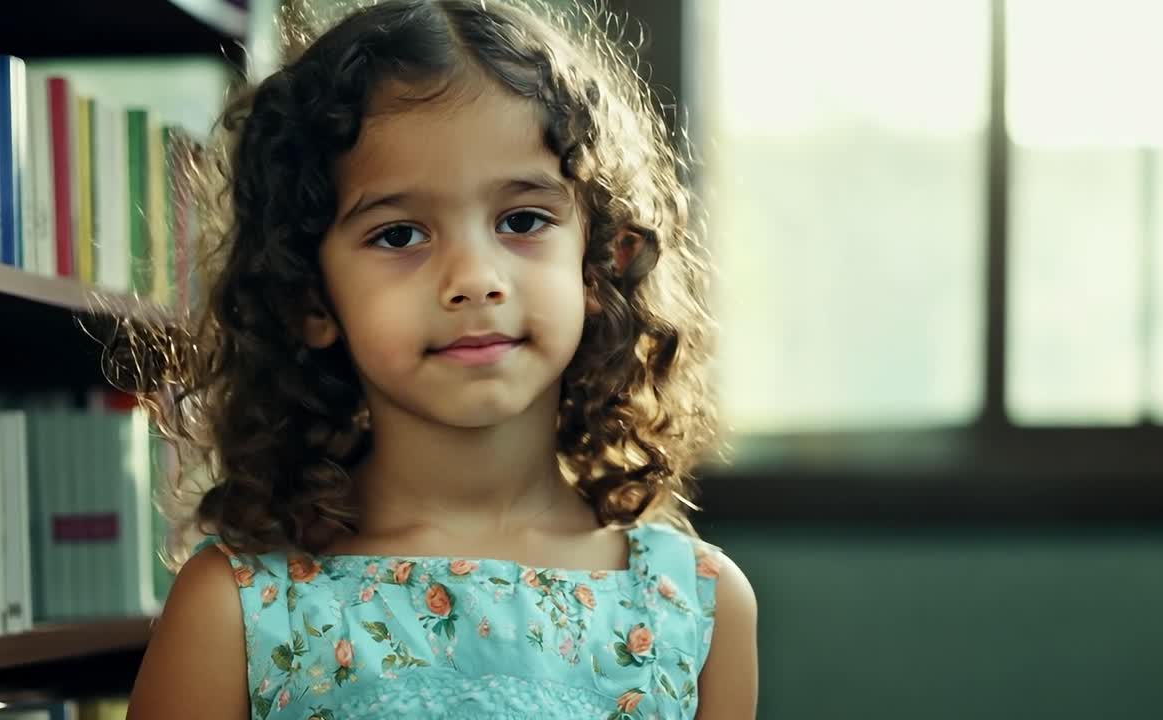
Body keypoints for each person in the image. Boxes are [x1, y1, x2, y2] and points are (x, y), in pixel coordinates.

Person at [125, 1, 756, 717]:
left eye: (522, 221)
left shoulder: (698, 606)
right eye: (399, 235)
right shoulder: (237, 607)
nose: (473, 278)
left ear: (596, 267)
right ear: (312, 298)